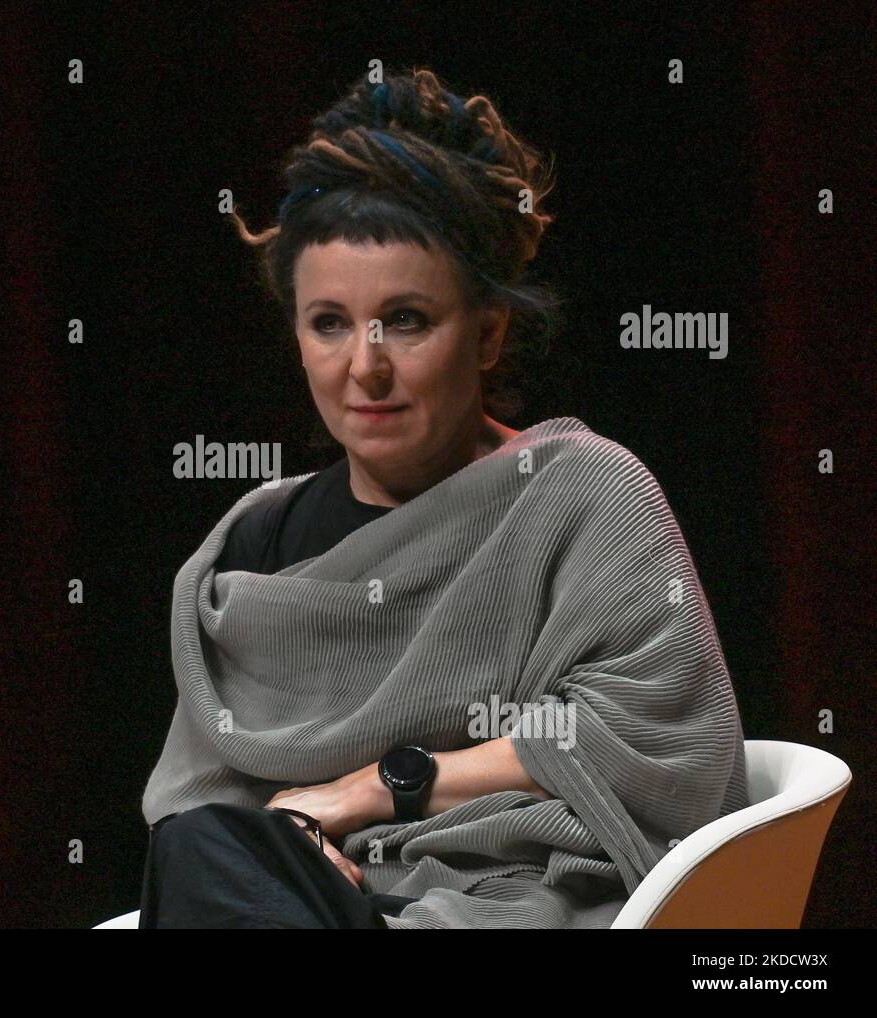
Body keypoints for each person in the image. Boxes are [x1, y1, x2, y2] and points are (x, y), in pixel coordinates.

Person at [138, 67, 750, 929]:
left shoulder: (583, 495)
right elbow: (203, 820)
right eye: (329, 324)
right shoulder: (256, 545)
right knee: (199, 850)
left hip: (521, 905)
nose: (365, 367)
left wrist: (373, 790)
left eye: (407, 320)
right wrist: (284, 846)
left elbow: (659, 743)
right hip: (310, 908)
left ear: (489, 332)